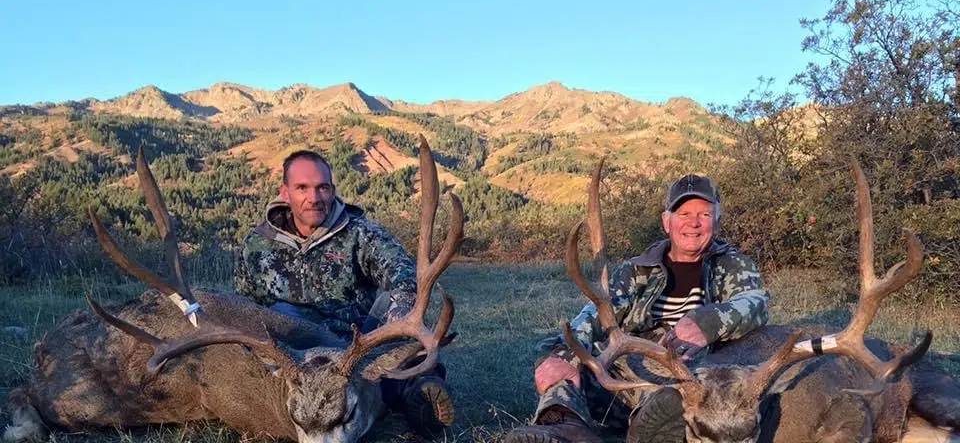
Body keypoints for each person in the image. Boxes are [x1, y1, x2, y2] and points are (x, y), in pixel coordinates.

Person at [506, 174, 771, 443]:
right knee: (568, 363)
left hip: (694, 380)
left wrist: (707, 323)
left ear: (717, 220)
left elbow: (754, 302)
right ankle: (563, 426)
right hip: (626, 374)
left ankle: (651, 425)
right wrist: (564, 354)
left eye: (704, 214)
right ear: (667, 222)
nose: (694, 223)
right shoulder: (636, 270)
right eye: (684, 213)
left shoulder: (733, 265)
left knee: (675, 401)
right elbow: (596, 313)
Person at [234, 149, 454, 435]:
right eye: (302, 188)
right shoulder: (256, 246)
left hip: (357, 346)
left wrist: (399, 318)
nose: (314, 198)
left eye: (322, 187)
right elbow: (245, 305)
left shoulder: (362, 234)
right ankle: (396, 394)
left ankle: (419, 388)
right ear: (285, 193)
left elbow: (403, 275)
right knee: (277, 317)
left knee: (399, 309)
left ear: (332, 190)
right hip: (297, 359)